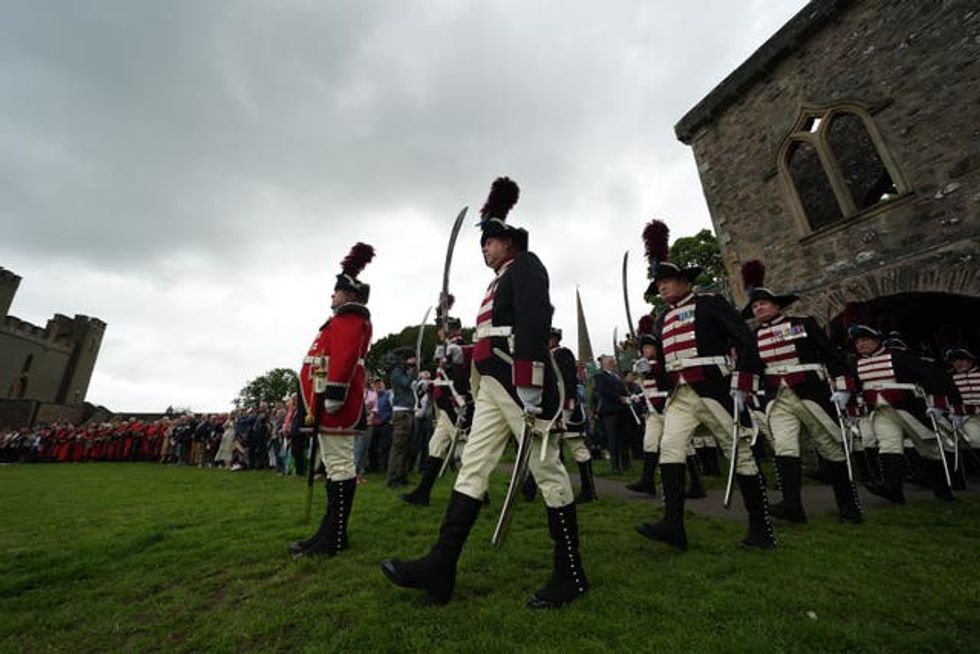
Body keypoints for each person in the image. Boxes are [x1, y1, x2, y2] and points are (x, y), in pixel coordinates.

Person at [381, 176, 588, 608]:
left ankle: (570, 572)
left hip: (518, 384)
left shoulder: (528, 267)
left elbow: (531, 325)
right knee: (472, 467)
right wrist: (460, 352)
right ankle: (442, 566)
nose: (484, 249)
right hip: (493, 384)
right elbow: (495, 336)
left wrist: (530, 384)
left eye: (489, 242)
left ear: (509, 243)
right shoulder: (498, 281)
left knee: (547, 469)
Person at [635, 219, 775, 551]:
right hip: (680, 395)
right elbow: (669, 361)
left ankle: (762, 529)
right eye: (659, 284)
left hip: (713, 388)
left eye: (667, 281)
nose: (663, 288)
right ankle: (673, 525)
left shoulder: (710, 303)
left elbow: (745, 340)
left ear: (684, 281)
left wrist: (743, 379)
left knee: (738, 454)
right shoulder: (664, 318)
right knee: (670, 450)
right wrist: (652, 369)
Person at [739, 260, 862, 524]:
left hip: (811, 393)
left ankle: (849, 507)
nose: (758, 308)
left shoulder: (803, 324)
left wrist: (842, 388)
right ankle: (793, 505)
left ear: (777, 305)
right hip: (778, 399)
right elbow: (748, 368)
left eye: (762, 303)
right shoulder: (753, 336)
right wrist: (741, 391)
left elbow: (832, 356)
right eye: (754, 306)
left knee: (830, 447)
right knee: (784, 447)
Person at [289, 242, 374, 559]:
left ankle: (334, 538)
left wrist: (334, 396)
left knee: (339, 468)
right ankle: (329, 532)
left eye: (336, 292)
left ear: (349, 295)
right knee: (336, 467)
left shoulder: (350, 320)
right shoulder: (339, 320)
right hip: (325, 406)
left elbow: (344, 359)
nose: (331, 297)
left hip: (334, 406)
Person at [847, 307, 957, 504]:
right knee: (888, 446)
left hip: (908, 409)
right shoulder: (855, 364)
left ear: (877, 340)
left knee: (929, 449)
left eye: (865, 340)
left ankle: (943, 491)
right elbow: (854, 388)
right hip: (880, 411)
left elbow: (934, 377)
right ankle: (893, 490)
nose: (861, 344)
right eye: (858, 342)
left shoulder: (900, 357)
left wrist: (939, 404)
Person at [402, 314, 474, 507]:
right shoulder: (447, 349)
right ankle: (422, 493)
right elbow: (444, 380)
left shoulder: (459, 347)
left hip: (454, 406)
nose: (439, 332)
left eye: (442, 328)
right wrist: (430, 385)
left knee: (463, 452)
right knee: (436, 448)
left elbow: (459, 380)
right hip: (444, 406)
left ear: (451, 328)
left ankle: (477, 495)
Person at [551, 327, 597, 503]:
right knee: (552, 449)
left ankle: (588, 490)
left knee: (578, 448)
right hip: (554, 410)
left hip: (565, 409)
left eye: (551, 338)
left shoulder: (561, 354)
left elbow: (567, 382)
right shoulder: (548, 355)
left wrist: (567, 409)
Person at [594, 354, 631, 474]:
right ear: (604, 363)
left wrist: (626, 395)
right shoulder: (600, 376)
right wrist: (619, 398)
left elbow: (623, 389)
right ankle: (615, 466)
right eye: (610, 361)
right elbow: (603, 391)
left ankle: (626, 464)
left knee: (624, 438)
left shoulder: (617, 376)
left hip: (621, 410)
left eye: (612, 361)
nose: (612, 363)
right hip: (609, 411)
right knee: (613, 438)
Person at [387, 349, 419, 488]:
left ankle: (402, 475)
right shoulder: (396, 372)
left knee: (407, 446)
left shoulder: (403, 371)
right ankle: (393, 477)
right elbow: (405, 384)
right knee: (399, 446)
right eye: (411, 359)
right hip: (401, 412)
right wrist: (412, 370)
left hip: (409, 410)